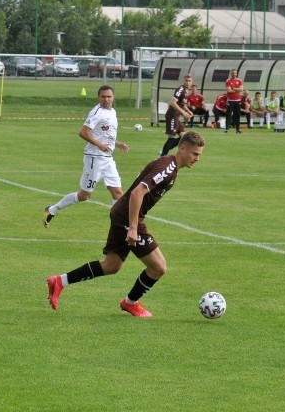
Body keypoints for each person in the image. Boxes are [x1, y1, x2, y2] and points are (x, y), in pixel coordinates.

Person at [46, 131, 206, 317]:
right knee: (158, 267)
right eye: (195, 154)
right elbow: (138, 193)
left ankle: (60, 281)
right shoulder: (167, 168)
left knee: (112, 265)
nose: (197, 159)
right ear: (182, 148)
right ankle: (130, 303)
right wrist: (133, 227)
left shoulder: (170, 166)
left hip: (122, 213)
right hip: (128, 217)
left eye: (199, 155)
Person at [43, 85, 129, 227]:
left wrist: (117, 144)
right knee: (84, 196)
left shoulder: (112, 111)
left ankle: (117, 226)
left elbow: (105, 134)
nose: (106, 99)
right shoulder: (97, 113)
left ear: (113, 97)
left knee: (118, 193)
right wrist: (99, 145)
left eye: (109, 96)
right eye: (103, 96)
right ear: (98, 97)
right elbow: (83, 132)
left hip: (107, 159)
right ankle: (52, 209)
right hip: (94, 159)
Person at [160, 74, 193, 156]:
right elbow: (172, 102)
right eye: (186, 80)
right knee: (171, 138)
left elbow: (182, 104)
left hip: (176, 117)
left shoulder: (186, 91)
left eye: (189, 81)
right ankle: (162, 156)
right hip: (172, 116)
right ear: (183, 81)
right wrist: (183, 112)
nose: (188, 82)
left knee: (184, 137)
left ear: (191, 82)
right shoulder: (180, 89)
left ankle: (164, 150)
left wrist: (188, 111)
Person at [225, 69, 243, 133]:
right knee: (228, 115)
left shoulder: (239, 80)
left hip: (238, 100)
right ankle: (227, 129)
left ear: (236, 74)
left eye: (235, 73)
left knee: (237, 115)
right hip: (230, 100)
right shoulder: (228, 81)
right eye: (232, 73)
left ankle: (237, 129)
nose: (234, 74)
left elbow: (241, 89)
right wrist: (237, 90)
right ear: (231, 74)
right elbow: (229, 91)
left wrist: (233, 88)